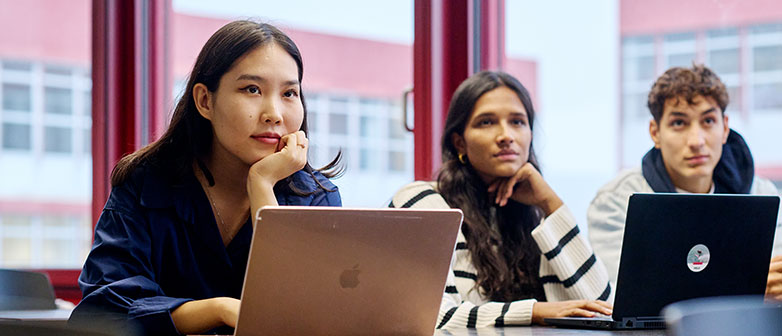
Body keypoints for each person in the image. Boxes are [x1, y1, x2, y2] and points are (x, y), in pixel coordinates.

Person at [69, 20, 341, 335]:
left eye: (289, 93)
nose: (275, 113)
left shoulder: (316, 197)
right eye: (252, 89)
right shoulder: (146, 185)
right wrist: (219, 309)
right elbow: (103, 312)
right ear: (205, 101)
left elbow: (298, 317)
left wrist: (262, 187)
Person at [389, 71, 613, 328]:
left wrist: (551, 205)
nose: (506, 135)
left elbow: (600, 308)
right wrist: (535, 311)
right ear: (459, 143)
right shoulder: (424, 203)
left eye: (518, 122)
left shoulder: (533, 216)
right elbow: (433, 318)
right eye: (486, 122)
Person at [587, 64, 782, 299]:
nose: (696, 141)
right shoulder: (616, 201)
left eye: (708, 121)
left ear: (725, 127)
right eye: (679, 123)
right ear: (655, 132)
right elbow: (624, 295)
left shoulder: (762, 195)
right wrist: (748, 287)